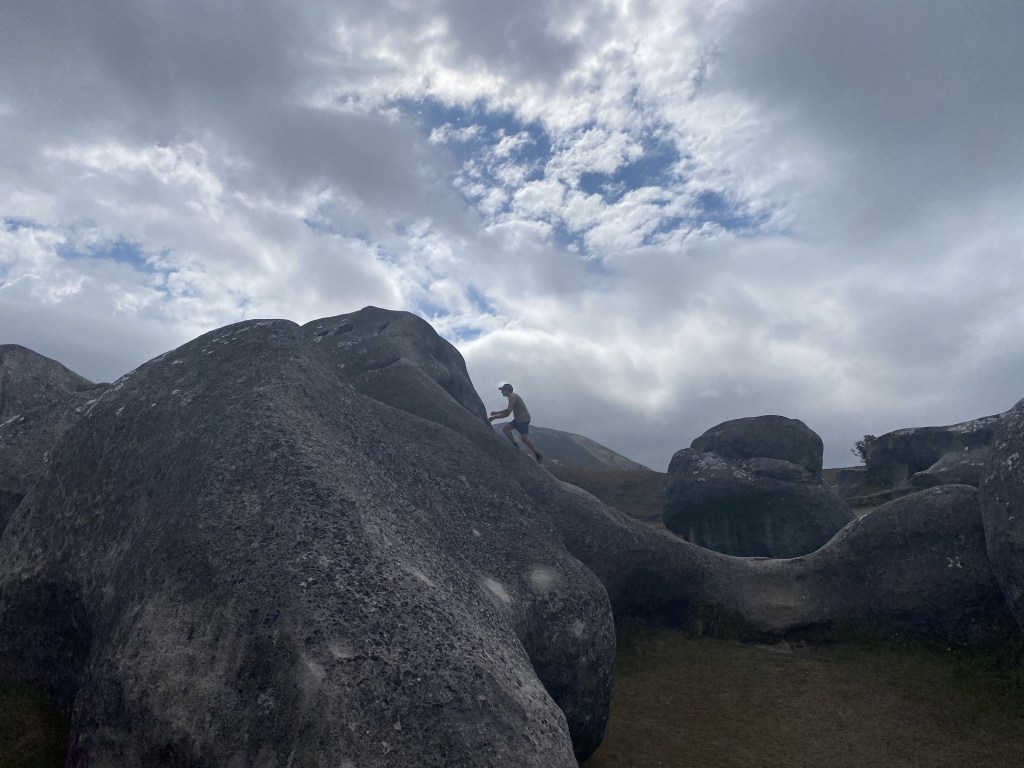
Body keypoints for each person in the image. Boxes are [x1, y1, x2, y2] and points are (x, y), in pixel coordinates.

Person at [489, 383, 543, 463]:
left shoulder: (512, 397)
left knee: (524, 439)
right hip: (518, 420)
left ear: (507, 390)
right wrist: (495, 417)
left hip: (523, 420)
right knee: (506, 429)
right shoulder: (512, 397)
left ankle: (538, 455)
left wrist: (496, 414)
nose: (501, 392)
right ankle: (515, 446)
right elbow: (507, 414)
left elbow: (508, 411)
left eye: (502, 390)